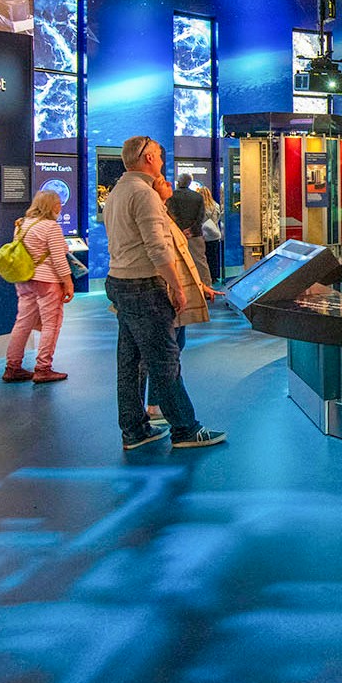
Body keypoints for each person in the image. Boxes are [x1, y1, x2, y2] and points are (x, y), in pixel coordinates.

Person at [104, 135, 224, 451]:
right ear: (147, 158)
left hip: (121, 282)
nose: (160, 159)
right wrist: (175, 285)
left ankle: (134, 429)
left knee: (130, 361)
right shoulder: (144, 195)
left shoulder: (118, 190)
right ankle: (185, 428)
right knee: (164, 359)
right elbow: (158, 250)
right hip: (144, 286)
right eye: (157, 154)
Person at [3, 190, 75, 384]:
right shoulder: (50, 227)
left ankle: (12, 367)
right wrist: (68, 283)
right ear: (51, 206)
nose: (60, 206)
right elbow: (59, 260)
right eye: (58, 203)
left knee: (23, 322)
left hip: (24, 279)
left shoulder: (21, 224)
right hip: (47, 281)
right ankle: (43, 368)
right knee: (52, 323)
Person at [165, 174, 210, 288]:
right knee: (200, 260)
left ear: (178, 182)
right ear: (190, 183)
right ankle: (206, 287)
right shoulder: (198, 197)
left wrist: (181, 230)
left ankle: (180, 288)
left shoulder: (171, 196)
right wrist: (191, 229)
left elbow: (171, 215)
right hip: (195, 234)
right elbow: (201, 216)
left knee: (175, 262)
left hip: (176, 234)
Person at [197, 185, 224, 283]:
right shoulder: (215, 205)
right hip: (214, 234)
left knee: (203, 257)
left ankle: (205, 277)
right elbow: (217, 219)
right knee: (214, 257)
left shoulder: (199, 206)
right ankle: (214, 276)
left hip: (202, 235)